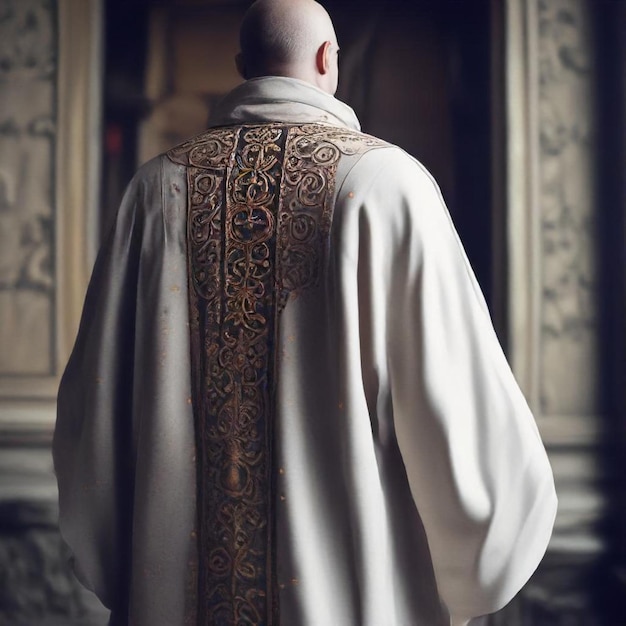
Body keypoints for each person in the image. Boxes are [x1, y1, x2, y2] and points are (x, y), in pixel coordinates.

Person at [53, 1, 557, 625]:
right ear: (328, 62)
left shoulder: (153, 192)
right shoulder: (389, 185)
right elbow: (454, 409)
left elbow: (93, 412)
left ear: (241, 67)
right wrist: (483, 548)